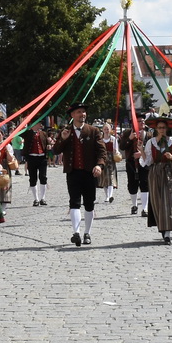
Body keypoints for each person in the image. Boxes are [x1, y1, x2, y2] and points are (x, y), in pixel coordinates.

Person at [53, 104, 103, 247]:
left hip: (89, 172)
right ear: (72, 115)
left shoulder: (93, 131)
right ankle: (76, 233)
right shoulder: (66, 131)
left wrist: (99, 165)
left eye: (84, 112)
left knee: (89, 203)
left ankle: (87, 232)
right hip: (73, 172)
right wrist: (62, 139)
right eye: (79, 112)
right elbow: (56, 151)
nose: (82, 114)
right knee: (74, 202)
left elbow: (102, 151)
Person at [140, 116, 172, 245]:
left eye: (163, 128)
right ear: (156, 129)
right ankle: (163, 227)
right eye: (159, 128)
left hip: (170, 174)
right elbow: (148, 161)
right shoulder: (151, 142)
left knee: (169, 202)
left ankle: (167, 234)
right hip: (155, 174)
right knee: (158, 202)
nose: (161, 130)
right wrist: (141, 151)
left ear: (167, 129)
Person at [22, 124, 51, 206]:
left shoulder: (43, 133)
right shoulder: (27, 133)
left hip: (42, 158)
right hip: (31, 158)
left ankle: (43, 198)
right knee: (33, 178)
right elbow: (19, 133)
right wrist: (25, 125)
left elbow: (47, 143)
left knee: (43, 177)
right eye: (38, 124)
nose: (40, 125)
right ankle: (36, 199)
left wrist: (48, 145)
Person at [121, 125, 147, 216]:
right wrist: (129, 138)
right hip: (131, 163)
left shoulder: (148, 133)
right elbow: (122, 146)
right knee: (132, 185)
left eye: (143, 121)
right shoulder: (127, 133)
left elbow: (151, 147)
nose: (141, 123)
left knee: (145, 184)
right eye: (139, 121)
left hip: (144, 162)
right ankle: (134, 205)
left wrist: (142, 153)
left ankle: (145, 208)